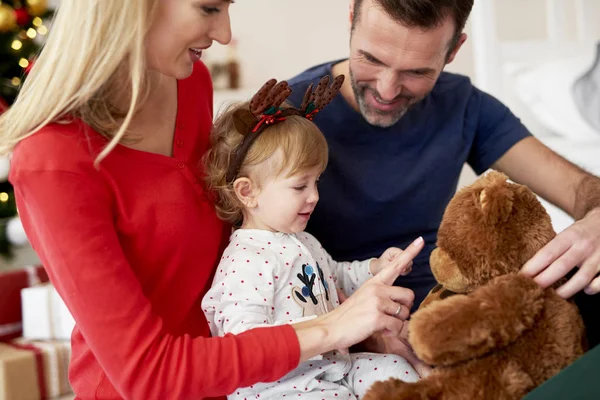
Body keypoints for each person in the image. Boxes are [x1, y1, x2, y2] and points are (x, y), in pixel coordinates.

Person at [0, 1, 421, 398]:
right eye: (208, 8)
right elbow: (149, 374)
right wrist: (331, 330)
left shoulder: (189, 82)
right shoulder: (53, 161)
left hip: (257, 382)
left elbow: (243, 248)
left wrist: (362, 322)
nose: (224, 33)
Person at [286, 0, 600, 319]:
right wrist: (358, 326)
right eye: (371, 59)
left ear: (453, 50)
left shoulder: (463, 105)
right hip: (329, 320)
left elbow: (577, 188)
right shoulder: (286, 113)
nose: (387, 90)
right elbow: (259, 267)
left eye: (416, 72)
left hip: (447, 315)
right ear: (352, 17)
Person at [201, 76, 424, 399]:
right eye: (299, 186)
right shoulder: (246, 260)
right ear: (248, 192)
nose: (314, 196)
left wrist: (375, 267)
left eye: (316, 182)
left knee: (395, 369)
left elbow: (337, 276)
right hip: (281, 387)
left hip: (333, 368)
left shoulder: (303, 241)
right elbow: (242, 340)